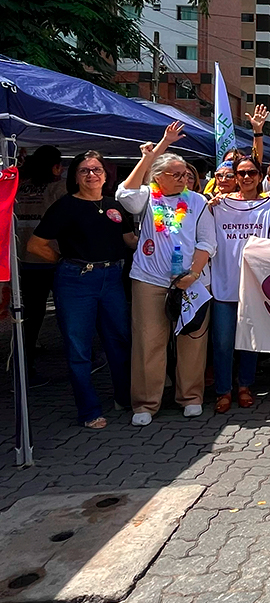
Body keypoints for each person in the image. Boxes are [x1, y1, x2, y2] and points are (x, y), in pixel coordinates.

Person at [117, 123, 216, 426]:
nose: (184, 179)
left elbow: (207, 242)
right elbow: (125, 193)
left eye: (186, 174)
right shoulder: (147, 196)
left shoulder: (197, 201)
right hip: (150, 280)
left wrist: (193, 273)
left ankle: (191, 397)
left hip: (191, 281)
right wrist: (150, 155)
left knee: (192, 339)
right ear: (158, 176)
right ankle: (146, 403)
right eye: (176, 175)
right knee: (149, 341)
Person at [28, 152, 136, 428]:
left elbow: (129, 240)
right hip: (76, 281)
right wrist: (65, 262)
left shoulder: (113, 205)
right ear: (75, 176)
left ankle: (124, 398)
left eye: (97, 169)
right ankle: (89, 411)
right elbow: (35, 245)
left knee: (119, 340)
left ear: (106, 175)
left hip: (112, 278)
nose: (91, 174)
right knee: (79, 347)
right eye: (84, 170)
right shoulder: (65, 206)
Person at [209, 156, 270, 413]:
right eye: (241, 173)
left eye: (252, 172)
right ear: (234, 177)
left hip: (255, 287)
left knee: (249, 342)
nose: (246, 177)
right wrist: (210, 205)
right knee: (222, 343)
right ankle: (223, 390)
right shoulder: (218, 206)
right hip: (224, 284)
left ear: (260, 176)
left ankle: (245, 386)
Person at [13, 144, 66, 387]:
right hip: (51, 257)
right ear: (55, 166)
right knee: (66, 311)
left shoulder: (20, 186)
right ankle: (82, 358)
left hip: (22, 258)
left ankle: (23, 365)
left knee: (29, 315)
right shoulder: (59, 188)